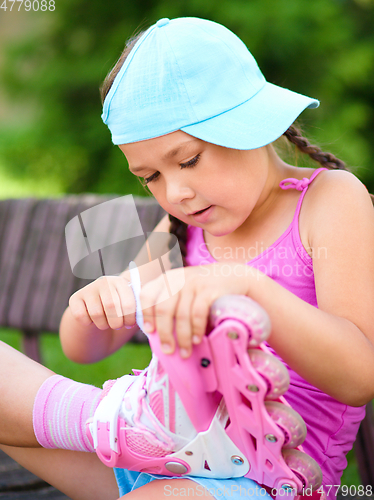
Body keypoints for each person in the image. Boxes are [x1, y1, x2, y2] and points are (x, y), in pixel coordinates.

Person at [1, 16, 374, 500]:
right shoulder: (184, 226)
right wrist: (92, 307)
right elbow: (86, 350)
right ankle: (114, 426)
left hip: (260, 479)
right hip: (153, 452)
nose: (175, 192)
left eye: (189, 160)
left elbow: (359, 375)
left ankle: (120, 429)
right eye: (150, 176)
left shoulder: (328, 200)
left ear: (249, 126)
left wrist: (245, 285)